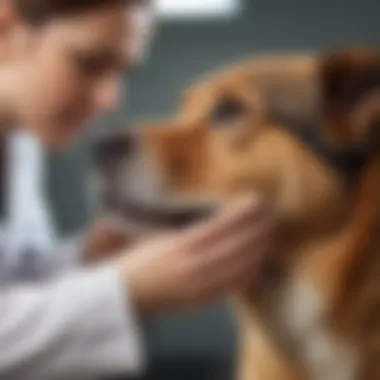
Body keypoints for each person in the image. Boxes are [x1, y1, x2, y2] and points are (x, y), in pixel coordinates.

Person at [0, 0, 275, 379]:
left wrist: (89, 256)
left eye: (121, 72)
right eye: (89, 63)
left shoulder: (20, 140)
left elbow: (15, 282)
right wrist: (126, 290)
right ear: (6, 25)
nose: (110, 99)